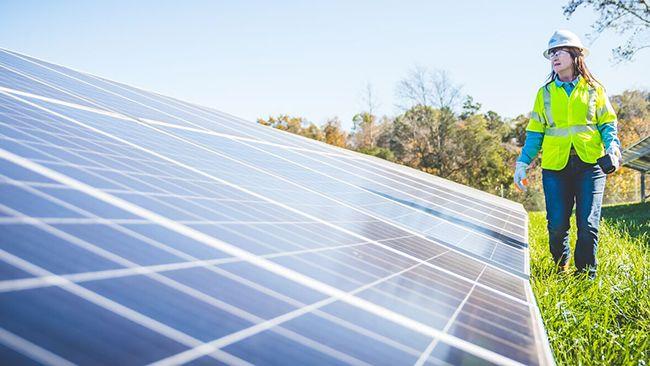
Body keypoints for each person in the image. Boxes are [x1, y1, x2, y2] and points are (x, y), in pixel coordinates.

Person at [514, 30, 621, 279]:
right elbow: (534, 133)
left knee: (588, 224)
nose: (554, 56)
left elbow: (608, 124)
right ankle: (560, 266)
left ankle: (586, 275)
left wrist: (613, 150)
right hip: (555, 168)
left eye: (559, 51)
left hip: (590, 166)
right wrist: (522, 163)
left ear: (575, 55)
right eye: (551, 53)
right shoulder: (545, 93)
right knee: (557, 225)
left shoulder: (595, 90)